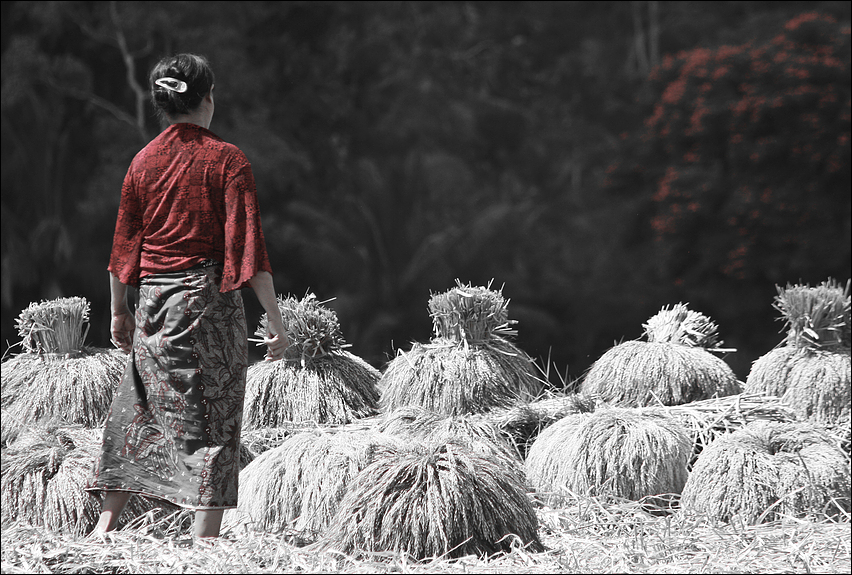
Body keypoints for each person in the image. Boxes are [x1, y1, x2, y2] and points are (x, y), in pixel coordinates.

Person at [86, 53, 289, 539]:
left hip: (152, 305)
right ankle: (204, 542)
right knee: (213, 419)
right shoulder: (227, 160)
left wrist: (118, 312)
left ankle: (105, 528)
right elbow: (248, 249)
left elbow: (123, 247)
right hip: (206, 310)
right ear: (207, 98)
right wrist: (276, 321)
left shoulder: (143, 161)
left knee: (138, 407)